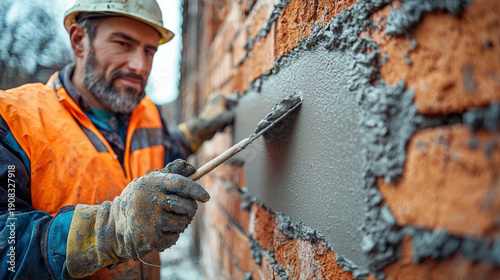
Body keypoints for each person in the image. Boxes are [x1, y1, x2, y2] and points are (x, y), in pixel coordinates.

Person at [0, 0, 235, 279]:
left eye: (150, 51)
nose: (139, 65)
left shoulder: (148, 113)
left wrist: (200, 128)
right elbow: (7, 250)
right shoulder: (13, 118)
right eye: (123, 44)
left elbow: (165, 153)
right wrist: (110, 231)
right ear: (79, 41)